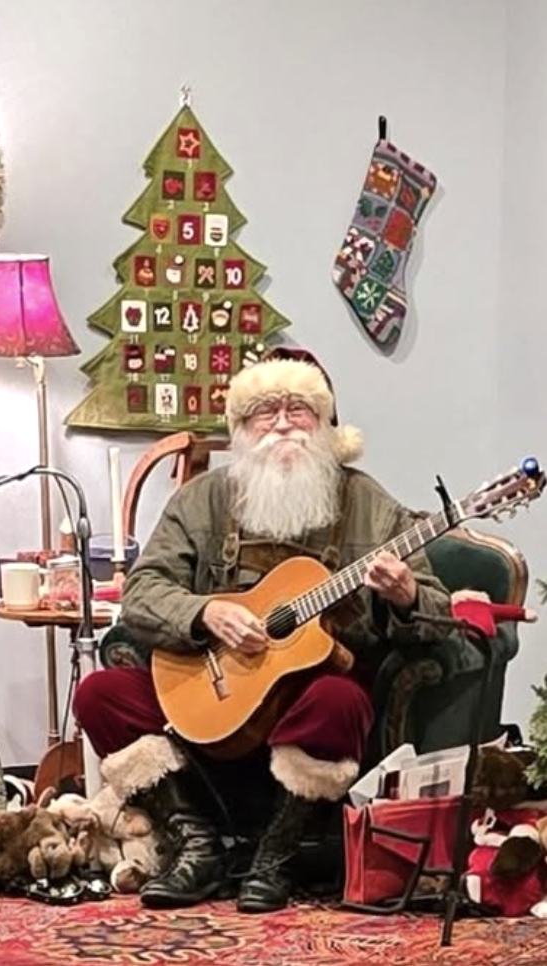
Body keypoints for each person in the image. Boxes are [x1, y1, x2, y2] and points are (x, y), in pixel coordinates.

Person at [71, 348, 452, 913]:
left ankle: (279, 851)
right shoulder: (203, 499)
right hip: (214, 689)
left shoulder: (369, 504)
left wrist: (407, 594)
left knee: (339, 701)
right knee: (99, 694)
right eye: (262, 410)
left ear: (325, 422)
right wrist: (204, 613)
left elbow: (439, 610)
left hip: (307, 697)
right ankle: (195, 845)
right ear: (240, 428)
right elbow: (142, 591)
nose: (280, 423)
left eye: (297, 407)